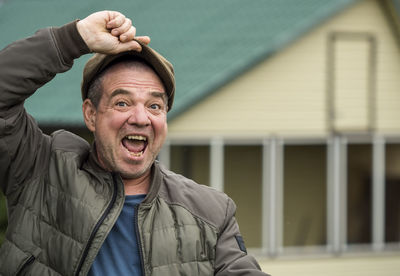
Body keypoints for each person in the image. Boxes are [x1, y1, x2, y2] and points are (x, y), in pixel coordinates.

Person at [0, 11, 269, 276]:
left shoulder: (210, 212)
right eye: (122, 103)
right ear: (91, 115)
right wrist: (74, 38)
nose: (140, 118)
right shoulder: (40, 169)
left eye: (154, 105)